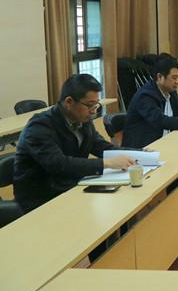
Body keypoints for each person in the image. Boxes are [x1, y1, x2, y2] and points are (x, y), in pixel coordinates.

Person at [13, 74, 136, 213]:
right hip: (41, 199)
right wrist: (106, 163)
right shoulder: (39, 127)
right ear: (69, 102)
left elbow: (102, 146)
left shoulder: (83, 120)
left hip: (70, 186)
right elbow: (59, 164)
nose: (93, 111)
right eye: (89, 105)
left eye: (96, 105)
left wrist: (139, 154)